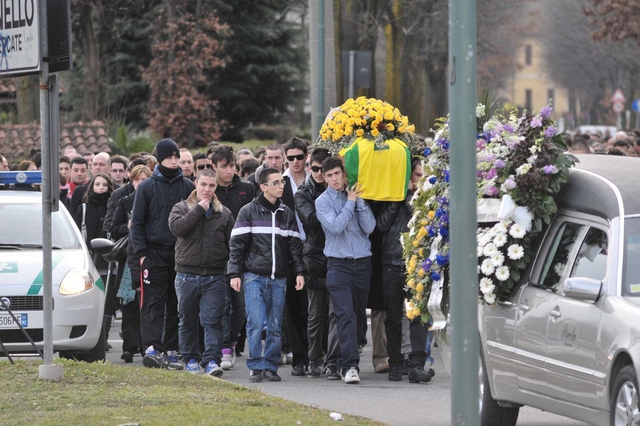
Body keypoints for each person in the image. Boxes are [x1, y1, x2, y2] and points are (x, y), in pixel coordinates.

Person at [227, 167, 305, 383]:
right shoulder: (247, 211)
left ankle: (270, 366)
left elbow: (294, 248)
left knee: (274, 325)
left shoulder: (286, 213)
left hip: (279, 278)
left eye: (282, 182)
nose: (281, 186)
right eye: (276, 183)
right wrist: (234, 273)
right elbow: (237, 246)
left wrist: (299, 272)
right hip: (253, 277)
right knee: (255, 322)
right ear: (263, 187)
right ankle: (255, 366)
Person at [130, 138, 195, 369]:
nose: (174, 161)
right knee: (152, 304)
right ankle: (152, 348)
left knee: (177, 303)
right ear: (160, 159)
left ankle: (172, 348)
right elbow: (137, 223)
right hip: (154, 254)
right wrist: (142, 253)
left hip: (180, 254)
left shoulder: (188, 186)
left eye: (176, 157)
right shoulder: (147, 187)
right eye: (169, 156)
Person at [315, 157, 376, 384]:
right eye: (329, 176)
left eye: (337, 174)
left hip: (362, 262)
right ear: (324, 178)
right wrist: (350, 202)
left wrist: (358, 201)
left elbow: (370, 227)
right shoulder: (322, 202)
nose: (334, 179)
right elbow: (336, 226)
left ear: (343, 173)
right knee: (345, 315)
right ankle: (348, 366)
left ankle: (352, 351)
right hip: (337, 264)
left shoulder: (355, 194)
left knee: (359, 316)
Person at [169, 169, 235, 376]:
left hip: (214, 275)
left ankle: (211, 361)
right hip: (186, 275)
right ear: (195, 184)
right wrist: (197, 210)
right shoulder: (180, 207)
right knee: (187, 320)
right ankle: (190, 359)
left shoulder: (224, 213)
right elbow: (177, 229)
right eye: (203, 184)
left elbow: (232, 244)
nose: (207, 189)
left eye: (211, 186)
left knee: (212, 320)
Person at [376, 157, 433, 383]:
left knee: (418, 316)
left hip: (417, 263)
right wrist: (397, 200)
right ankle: (396, 363)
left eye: (424, 177)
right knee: (392, 318)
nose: (421, 181)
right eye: (418, 176)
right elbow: (380, 225)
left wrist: (413, 198)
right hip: (391, 262)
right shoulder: (391, 197)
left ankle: (417, 364)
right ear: (409, 177)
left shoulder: (425, 199)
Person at [294, 148, 341, 379]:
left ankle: (332, 360)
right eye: (315, 169)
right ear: (309, 168)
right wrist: (333, 215)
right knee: (315, 313)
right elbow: (311, 221)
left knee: (335, 313)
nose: (321, 174)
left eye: (325, 169)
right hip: (314, 255)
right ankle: (314, 359)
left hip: (337, 255)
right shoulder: (303, 193)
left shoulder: (337, 188)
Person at [211, 145, 255, 370]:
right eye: (223, 167)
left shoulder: (246, 188)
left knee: (240, 305)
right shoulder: (210, 189)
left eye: (231, 166)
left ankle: (232, 340)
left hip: (243, 255)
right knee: (221, 305)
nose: (228, 171)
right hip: (217, 255)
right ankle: (224, 348)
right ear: (214, 167)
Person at [110, 165, 152, 363]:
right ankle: (129, 346)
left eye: (145, 179)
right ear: (132, 181)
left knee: (149, 305)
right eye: (137, 180)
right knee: (129, 306)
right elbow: (113, 229)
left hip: (148, 257)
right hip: (129, 260)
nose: (141, 183)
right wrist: (127, 227)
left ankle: (147, 346)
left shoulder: (154, 200)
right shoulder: (125, 202)